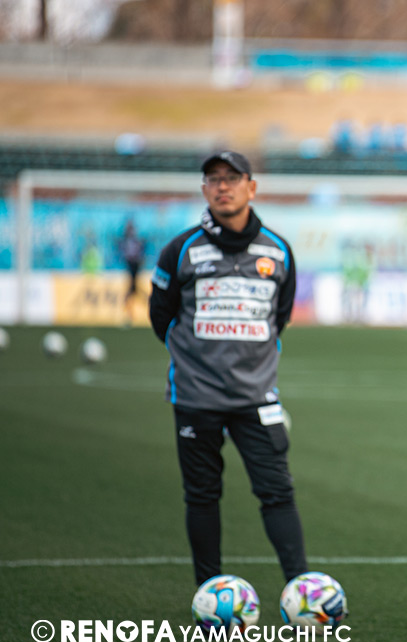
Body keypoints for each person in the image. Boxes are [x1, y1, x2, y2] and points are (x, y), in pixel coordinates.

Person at [149, 151, 308, 588]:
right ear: (204, 189)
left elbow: (279, 317)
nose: (223, 186)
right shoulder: (180, 249)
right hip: (195, 397)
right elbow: (160, 317)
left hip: (257, 397)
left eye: (232, 178)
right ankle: (209, 591)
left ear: (250, 187)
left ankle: (301, 590)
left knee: (277, 491)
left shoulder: (278, 251)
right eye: (214, 179)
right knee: (202, 495)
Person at [119, 218, 145, 324]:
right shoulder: (128, 241)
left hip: (134, 268)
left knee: (133, 291)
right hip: (132, 268)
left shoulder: (134, 241)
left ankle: (130, 315)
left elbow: (138, 254)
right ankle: (129, 315)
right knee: (133, 291)